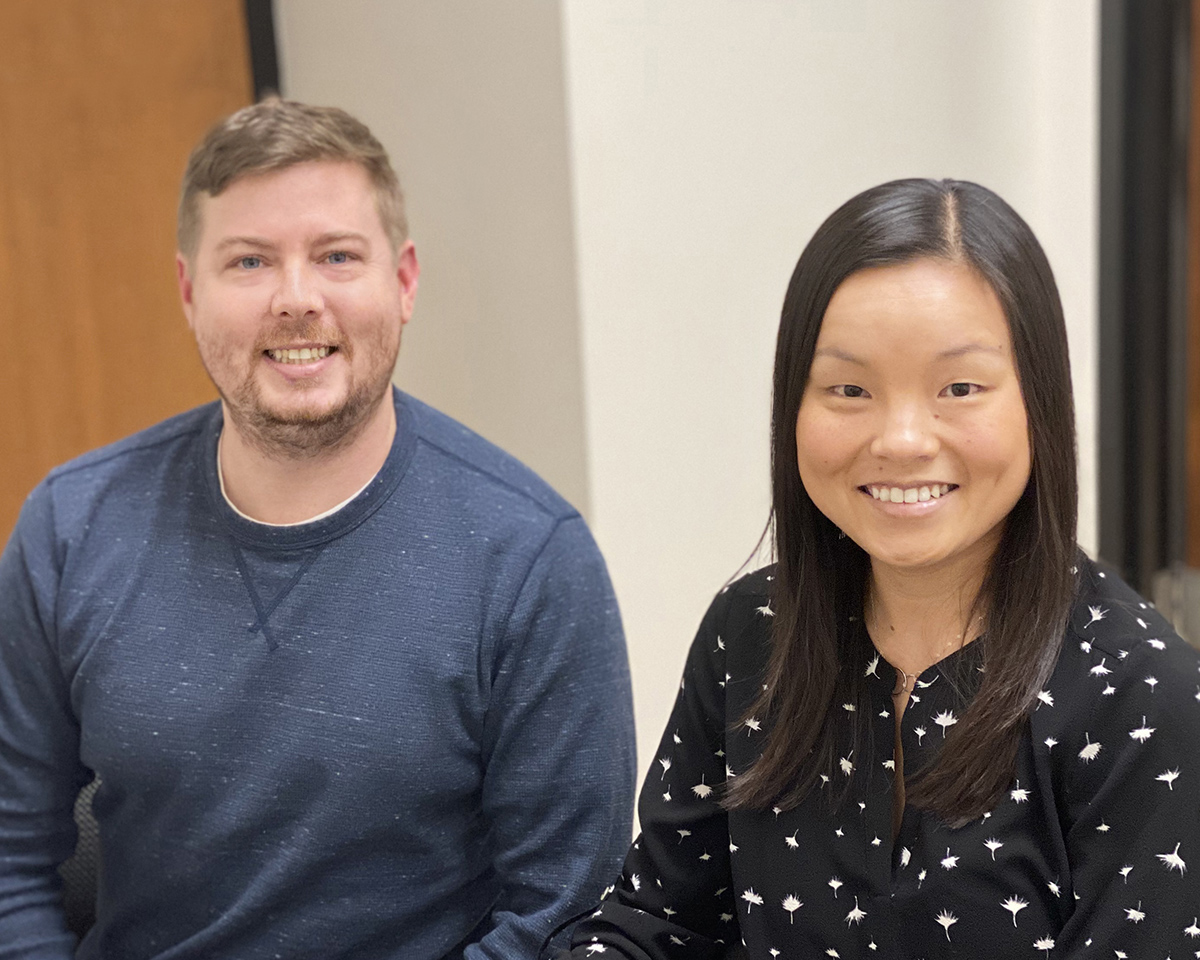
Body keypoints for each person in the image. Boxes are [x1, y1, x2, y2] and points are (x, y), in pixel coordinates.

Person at [0, 99, 636, 959]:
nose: (296, 300)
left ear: (403, 282)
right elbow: (9, 860)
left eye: (337, 256)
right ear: (188, 292)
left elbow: (562, 915)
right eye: (250, 261)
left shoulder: (530, 559)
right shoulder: (71, 528)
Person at [563, 179, 1200, 958]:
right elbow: (659, 923)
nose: (901, 440)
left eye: (959, 388)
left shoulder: (1147, 698)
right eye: (850, 389)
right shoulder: (751, 630)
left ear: (1040, 402)